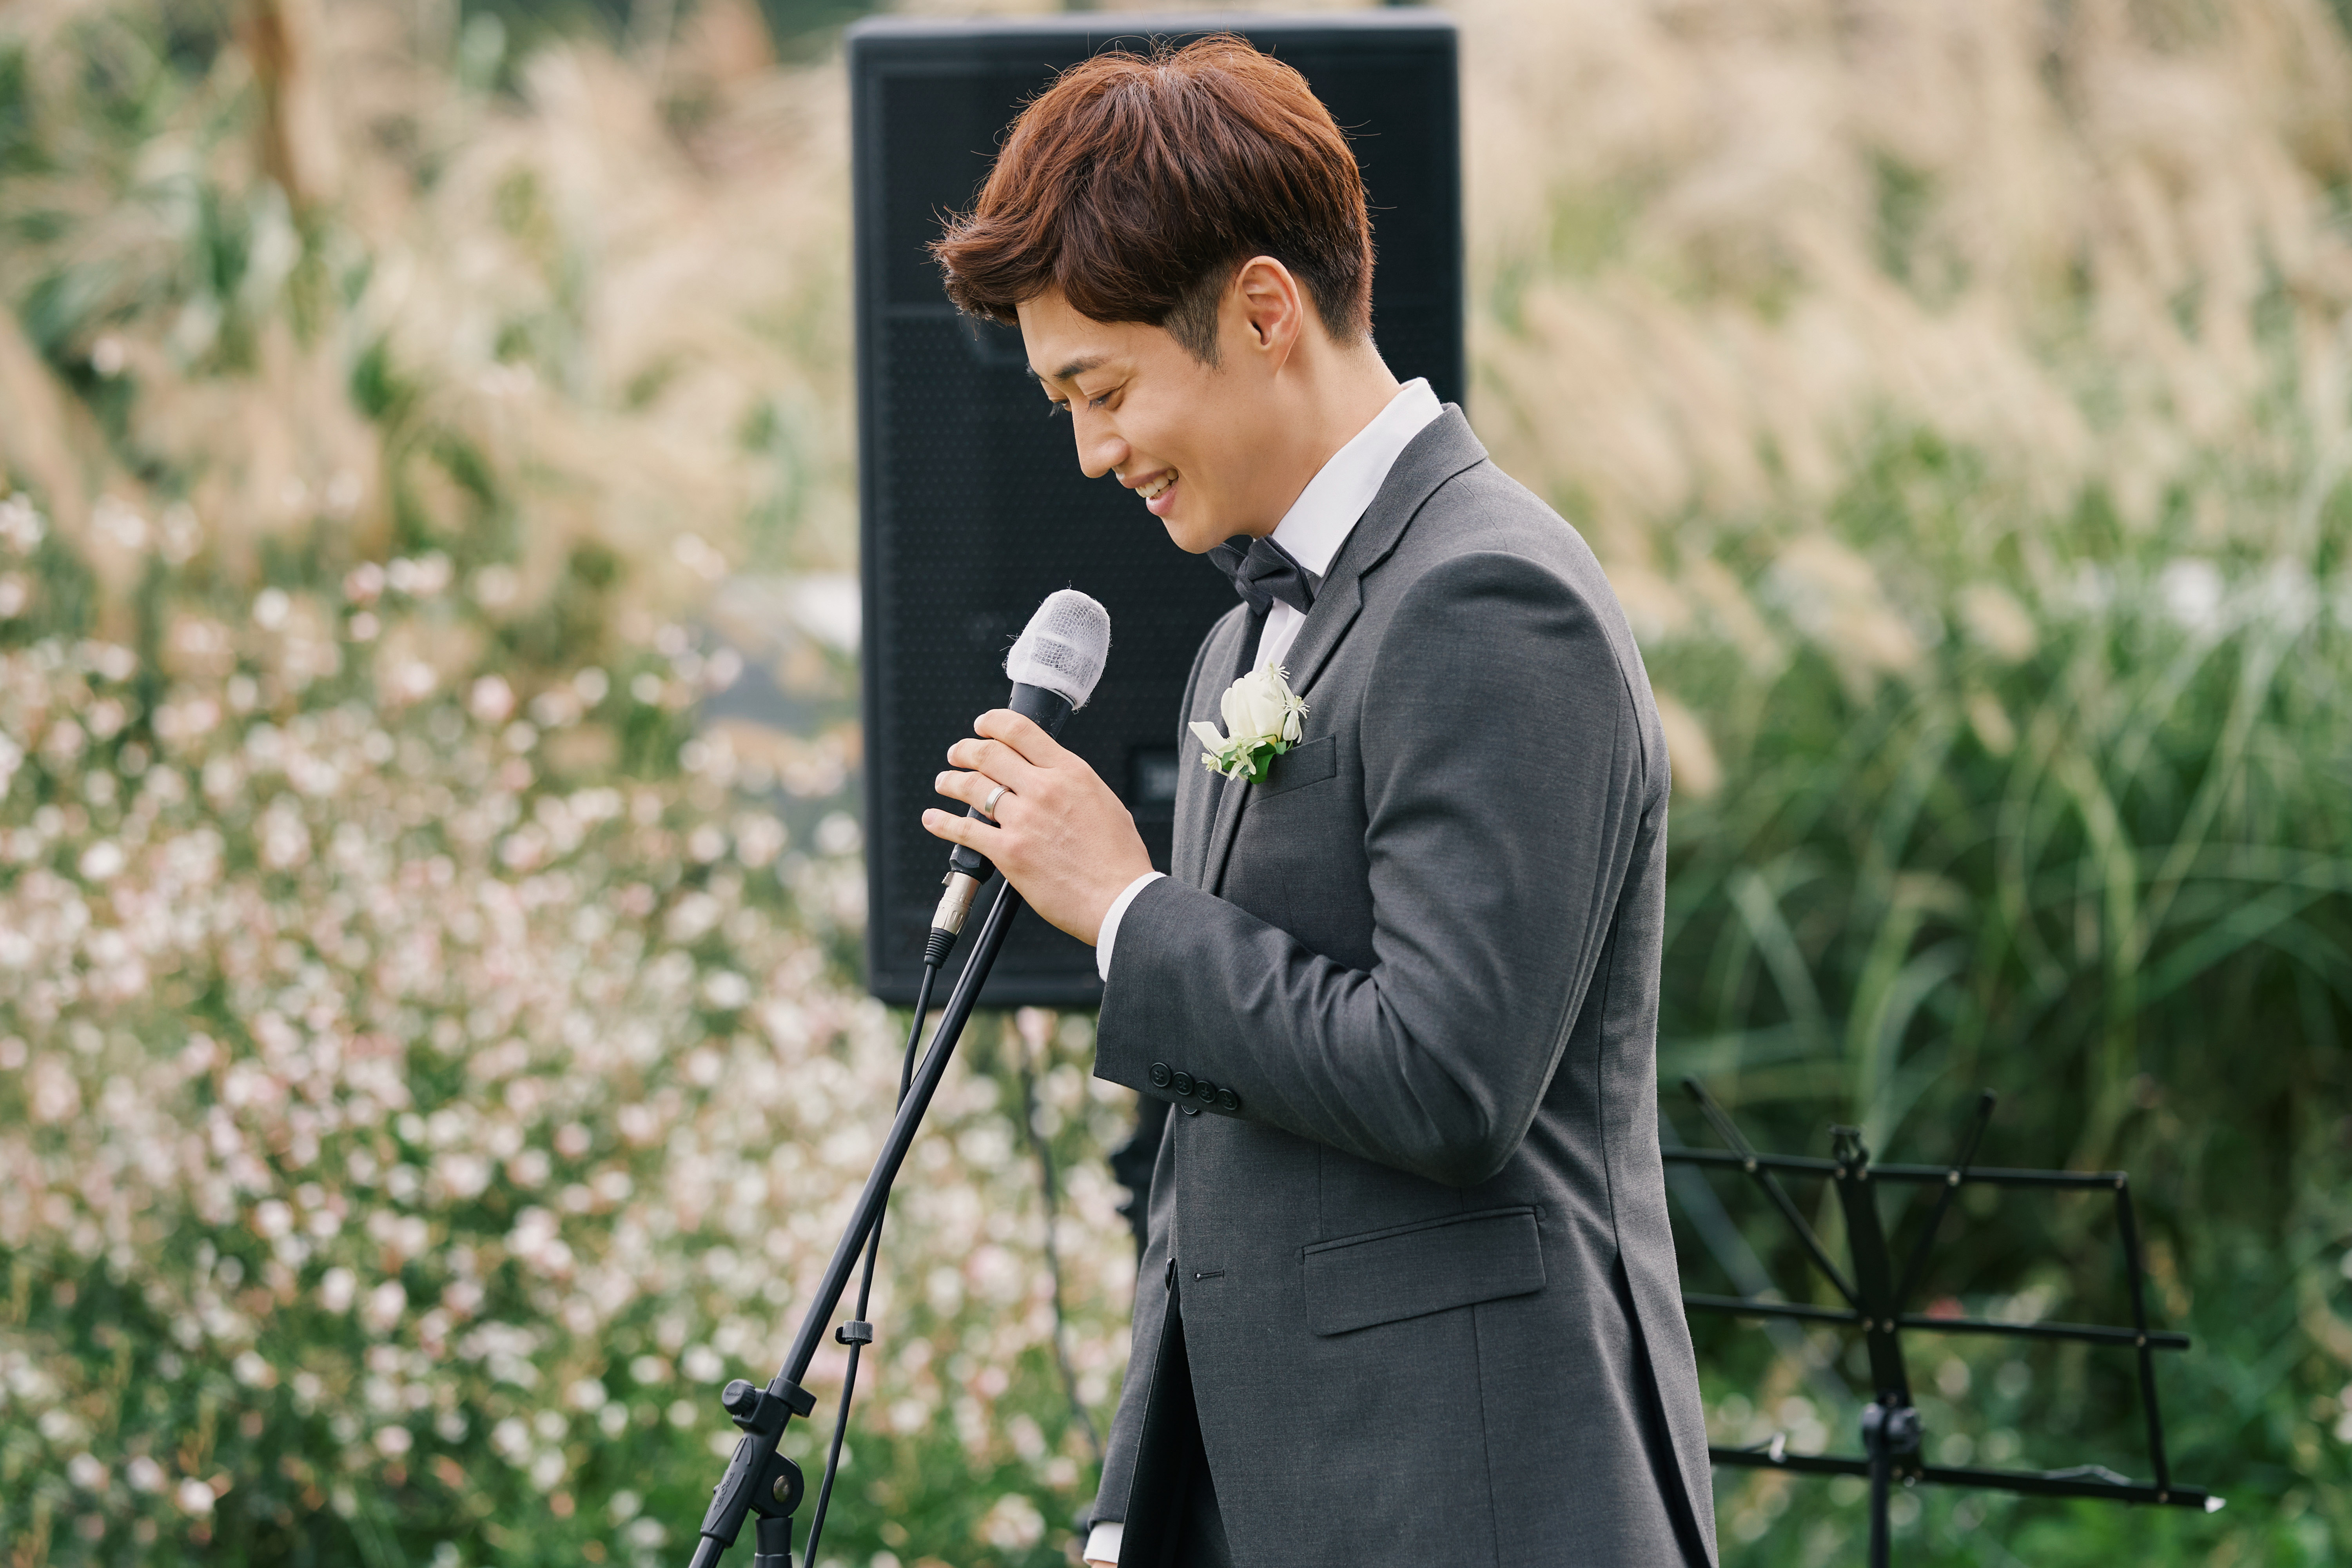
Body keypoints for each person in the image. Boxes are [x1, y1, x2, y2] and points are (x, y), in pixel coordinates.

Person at [921, 36, 1718, 1568]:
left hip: (1475, 1507)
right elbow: (1217, 1158)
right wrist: (1133, 1508)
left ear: (1264, 311)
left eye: (1104, 389)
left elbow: (1446, 1078)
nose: (1091, 453)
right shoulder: (1240, 640)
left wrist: (1127, 909)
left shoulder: (1490, 596)